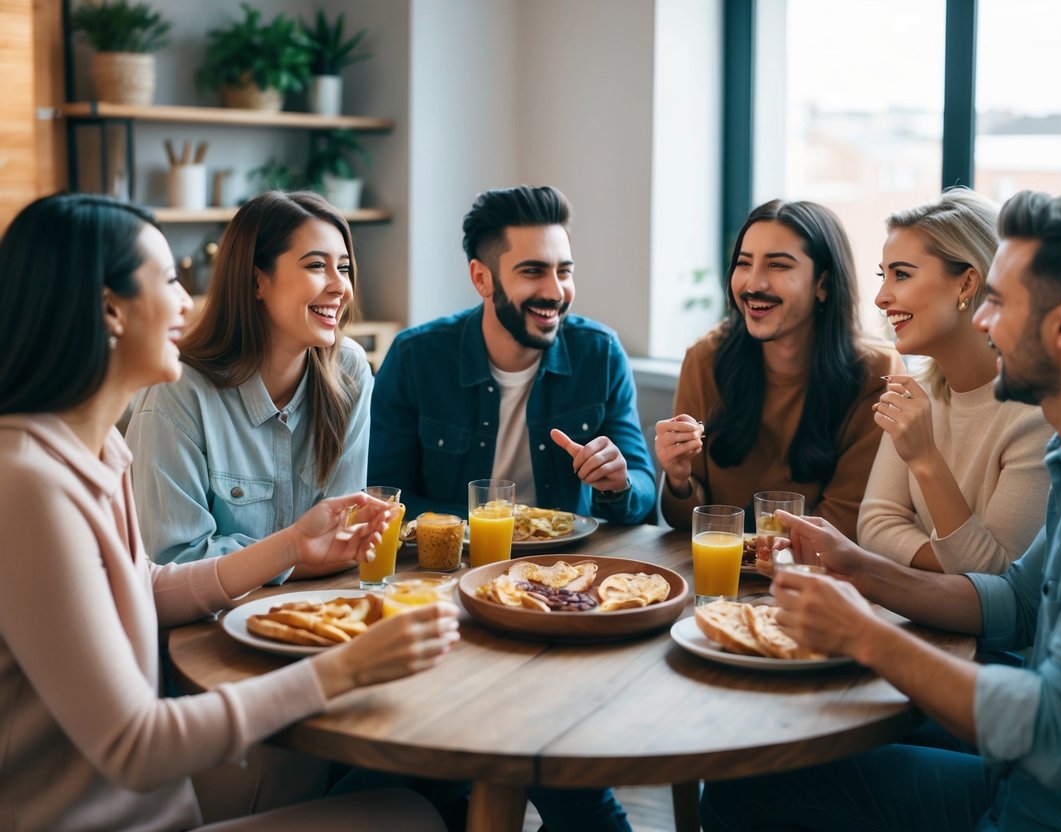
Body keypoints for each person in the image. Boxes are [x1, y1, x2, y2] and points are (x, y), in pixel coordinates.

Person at [700, 189, 1061, 831]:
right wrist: (856, 566)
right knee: (750, 778)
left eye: (999, 302)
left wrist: (866, 635)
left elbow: (1060, 729)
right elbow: (1017, 603)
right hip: (1022, 785)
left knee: (756, 784)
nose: (984, 323)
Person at [0, 193, 460, 831]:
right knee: (416, 816)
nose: (189, 303)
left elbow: (147, 584)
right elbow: (135, 745)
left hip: (165, 808)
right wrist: (341, 669)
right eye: (168, 281)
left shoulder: (95, 450)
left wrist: (293, 546)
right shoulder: (29, 483)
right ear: (109, 310)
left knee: (411, 788)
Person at [369, 185, 656, 527]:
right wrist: (502, 523)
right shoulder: (414, 358)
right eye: (533, 272)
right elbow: (385, 497)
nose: (555, 292)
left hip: (567, 565)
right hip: (449, 565)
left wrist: (618, 485)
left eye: (564, 271)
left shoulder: (601, 354)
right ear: (482, 278)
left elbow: (643, 486)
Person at [126, 191, 373, 583]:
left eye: (343, 268)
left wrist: (268, 562)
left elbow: (345, 539)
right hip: (205, 628)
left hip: (320, 610)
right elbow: (175, 561)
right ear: (258, 281)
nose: (339, 286)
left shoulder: (350, 371)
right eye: (316, 265)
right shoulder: (178, 392)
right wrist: (301, 555)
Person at [656, 199, 901, 535]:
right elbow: (686, 521)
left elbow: (844, 524)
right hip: (718, 572)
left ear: (823, 284)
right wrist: (678, 478)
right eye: (744, 263)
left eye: (778, 266)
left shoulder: (877, 372)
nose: (753, 284)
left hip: (816, 578)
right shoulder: (705, 359)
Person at [854, 189, 1052, 574]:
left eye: (901, 274)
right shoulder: (918, 393)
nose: (881, 297)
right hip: (924, 618)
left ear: (966, 284)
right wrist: (957, 561)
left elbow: (999, 580)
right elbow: (875, 526)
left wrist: (925, 459)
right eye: (884, 275)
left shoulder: (1039, 415)